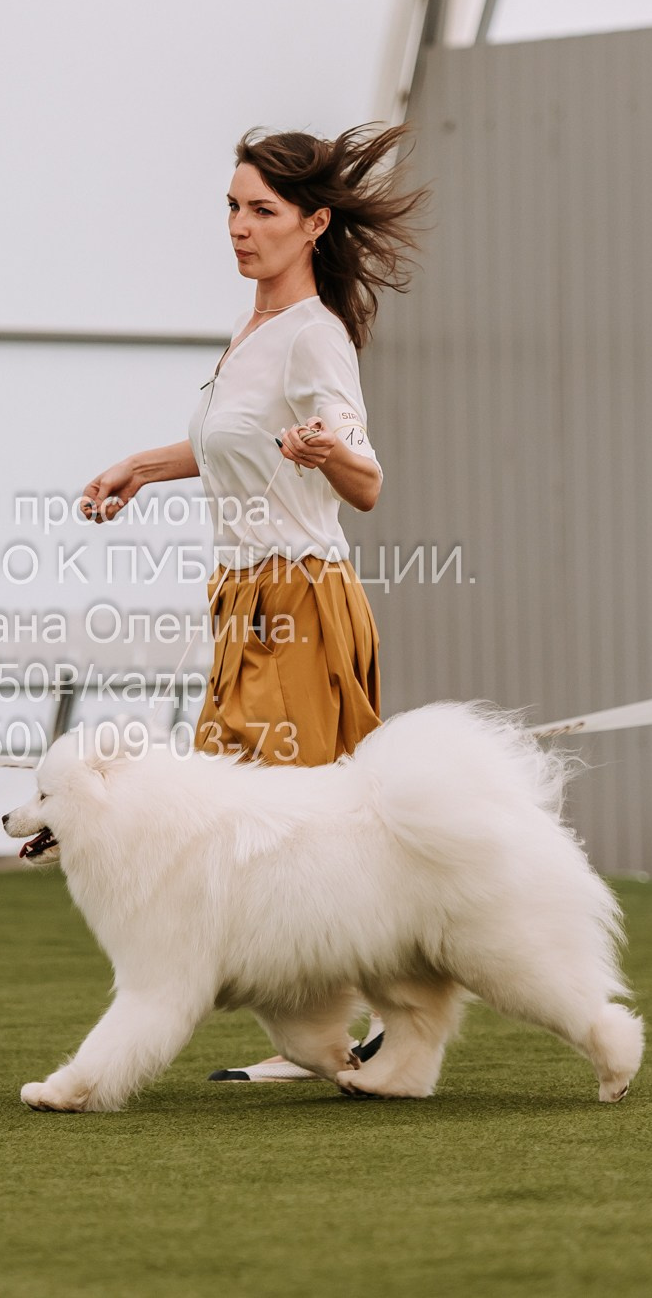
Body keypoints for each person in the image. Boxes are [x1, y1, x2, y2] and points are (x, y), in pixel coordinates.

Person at [77, 122, 429, 1081]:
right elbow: (233, 443)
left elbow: (367, 482)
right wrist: (144, 467)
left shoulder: (315, 337)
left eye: (261, 211)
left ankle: (373, 1029)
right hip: (244, 604)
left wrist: (334, 454)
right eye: (232, 207)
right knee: (254, 825)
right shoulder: (252, 334)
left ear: (312, 224)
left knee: (298, 826)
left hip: (301, 602)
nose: (239, 227)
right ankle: (316, 1034)